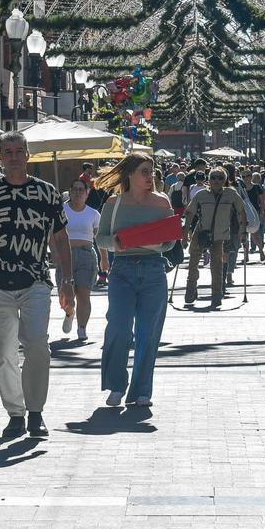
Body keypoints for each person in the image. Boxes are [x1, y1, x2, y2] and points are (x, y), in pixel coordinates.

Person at [0, 131, 73, 439]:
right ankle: (16, 412)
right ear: (0, 158)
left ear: (28, 155)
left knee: (37, 344)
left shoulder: (47, 193)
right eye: (7, 152)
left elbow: (61, 239)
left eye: (18, 151)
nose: (13, 157)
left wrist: (66, 281)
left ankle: (36, 412)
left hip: (35, 281)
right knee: (2, 354)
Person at [96, 153, 177, 406]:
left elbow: (171, 240)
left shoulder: (162, 201)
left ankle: (142, 391)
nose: (149, 176)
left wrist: (159, 243)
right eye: (144, 171)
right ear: (129, 174)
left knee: (148, 333)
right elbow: (101, 239)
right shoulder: (114, 203)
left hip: (154, 270)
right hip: (122, 270)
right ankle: (116, 385)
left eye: (151, 171)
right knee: (118, 328)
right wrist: (116, 243)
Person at [182, 168, 244, 307]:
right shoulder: (201, 194)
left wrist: (243, 231)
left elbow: (241, 210)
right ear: (208, 180)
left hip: (219, 234)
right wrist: (185, 234)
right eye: (214, 177)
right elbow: (190, 213)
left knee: (216, 265)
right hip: (201, 232)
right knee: (193, 263)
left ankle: (216, 295)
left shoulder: (231, 194)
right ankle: (190, 290)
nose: (217, 180)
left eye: (220, 178)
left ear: (225, 180)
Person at [59, 179, 102, 341]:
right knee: (65, 296)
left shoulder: (93, 213)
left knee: (84, 294)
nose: (77, 193)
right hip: (65, 256)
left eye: (81, 190)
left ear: (87, 193)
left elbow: (100, 238)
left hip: (86, 256)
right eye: (74, 190)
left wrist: (104, 259)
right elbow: (51, 233)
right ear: (69, 192)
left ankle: (82, 327)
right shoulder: (61, 211)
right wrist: (54, 252)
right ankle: (70, 313)